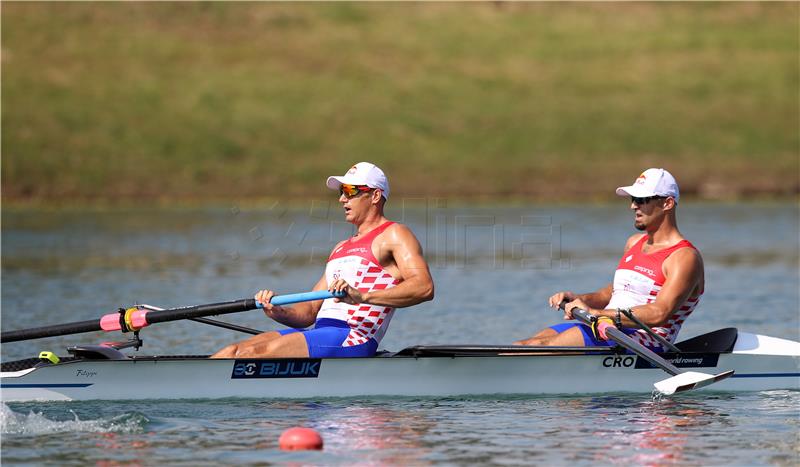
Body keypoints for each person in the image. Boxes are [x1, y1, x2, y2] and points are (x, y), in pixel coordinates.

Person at [211, 162, 434, 359]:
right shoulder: (341, 248)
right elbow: (309, 312)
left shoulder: (394, 234)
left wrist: (363, 296)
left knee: (250, 355)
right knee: (232, 352)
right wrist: (277, 310)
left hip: (353, 337)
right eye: (341, 191)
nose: (342, 198)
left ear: (375, 196)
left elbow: (423, 287)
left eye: (350, 191)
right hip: (321, 334)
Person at [514, 168, 704, 351]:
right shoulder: (634, 243)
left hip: (645, 339)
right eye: (633, 199)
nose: (633, 206)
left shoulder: (684, 257)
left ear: (667, 203)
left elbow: (659, 312)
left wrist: (596, 313)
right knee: (522, 345)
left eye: (642, 199)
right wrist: (581, 299)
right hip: (606, 326)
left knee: (537, 348)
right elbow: (613, 293)